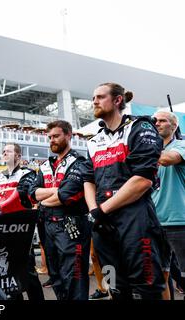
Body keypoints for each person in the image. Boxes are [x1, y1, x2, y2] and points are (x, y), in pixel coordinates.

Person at [81, 82, 165, 300]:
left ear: (117, 100)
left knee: (147, 286)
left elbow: (142, 180)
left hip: (134, 217)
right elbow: (88, 179)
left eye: (100, 97)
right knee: (114, 283)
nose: (94, 102)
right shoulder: (94, 140)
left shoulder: (140, 128)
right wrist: (94, 211)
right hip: (102, 220)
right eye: (93, 98)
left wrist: (102, 210)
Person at [23, 120, 91, 300]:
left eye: (56, 136)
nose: (52, 140)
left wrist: (45, 199)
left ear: (69, 135)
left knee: (74, 276)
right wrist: (55, 192)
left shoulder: (80, 162)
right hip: (46, 225)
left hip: (71, 225)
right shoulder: (45, 165)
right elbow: (32, 193)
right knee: (56, 276)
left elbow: (67, 195)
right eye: (50, 137)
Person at [151, 110, 185, 299]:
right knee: (159, 276)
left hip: (178, 220)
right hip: (154, 220)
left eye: (162, 120)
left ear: (174, 126)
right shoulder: (149, 151)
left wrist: (146, 145)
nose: (157, 123)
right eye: (154, 120)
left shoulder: (181, 145)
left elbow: (167, 159)